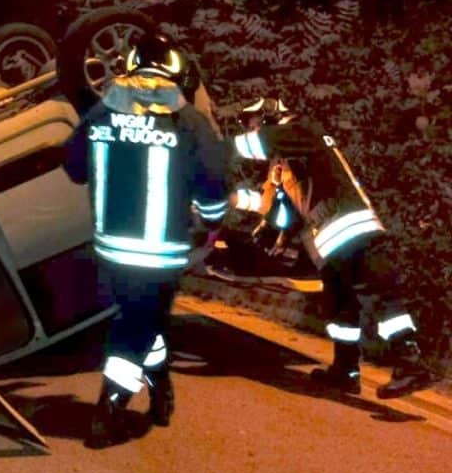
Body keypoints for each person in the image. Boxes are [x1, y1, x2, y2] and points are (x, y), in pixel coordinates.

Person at [62, 32, 228, 448]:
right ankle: (110, 406)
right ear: (175, 71)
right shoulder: (190, 122)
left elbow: (73, 167)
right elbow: (213, 185)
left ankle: (161, 388)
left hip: (111, 250)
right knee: (136, 327)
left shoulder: (101, 113)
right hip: (162, 254)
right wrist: (212, 225)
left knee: (141, 321)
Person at [230, 96, 433, 399]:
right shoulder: (283, 164)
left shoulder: (301, 131)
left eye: (254, 123)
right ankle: (345, 371)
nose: (253, 129)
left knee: (378, 298)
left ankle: (411, 363)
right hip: (332, 243)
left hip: (354, 232)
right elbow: (275, 210)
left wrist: (208, 149)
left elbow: (257, 144)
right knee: (341, 308)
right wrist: (232, 198)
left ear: (270, 115)